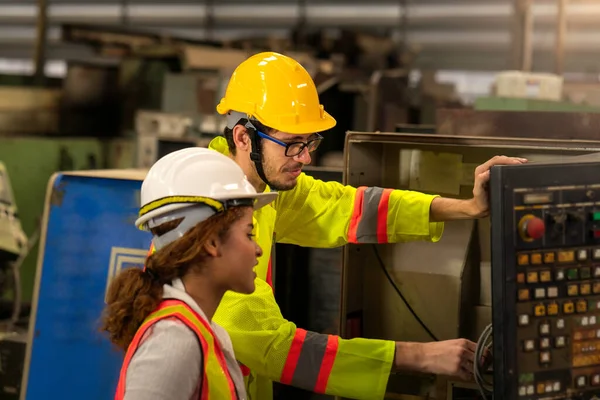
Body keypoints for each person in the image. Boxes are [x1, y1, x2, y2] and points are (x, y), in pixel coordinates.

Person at [154, 53, 525, 400]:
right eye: (293, 144)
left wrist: (466, 207)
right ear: (243, 137)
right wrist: (420, 357)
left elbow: (345, 207)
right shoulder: (208, 216)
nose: (306, 157)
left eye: (311, 142)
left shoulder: (254, 187)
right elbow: (275, 348)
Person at [102, 147, 278, 400]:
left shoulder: (203, 331)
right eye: (249, 233)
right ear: (211, 242)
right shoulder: (174, 341)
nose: (258, 249)